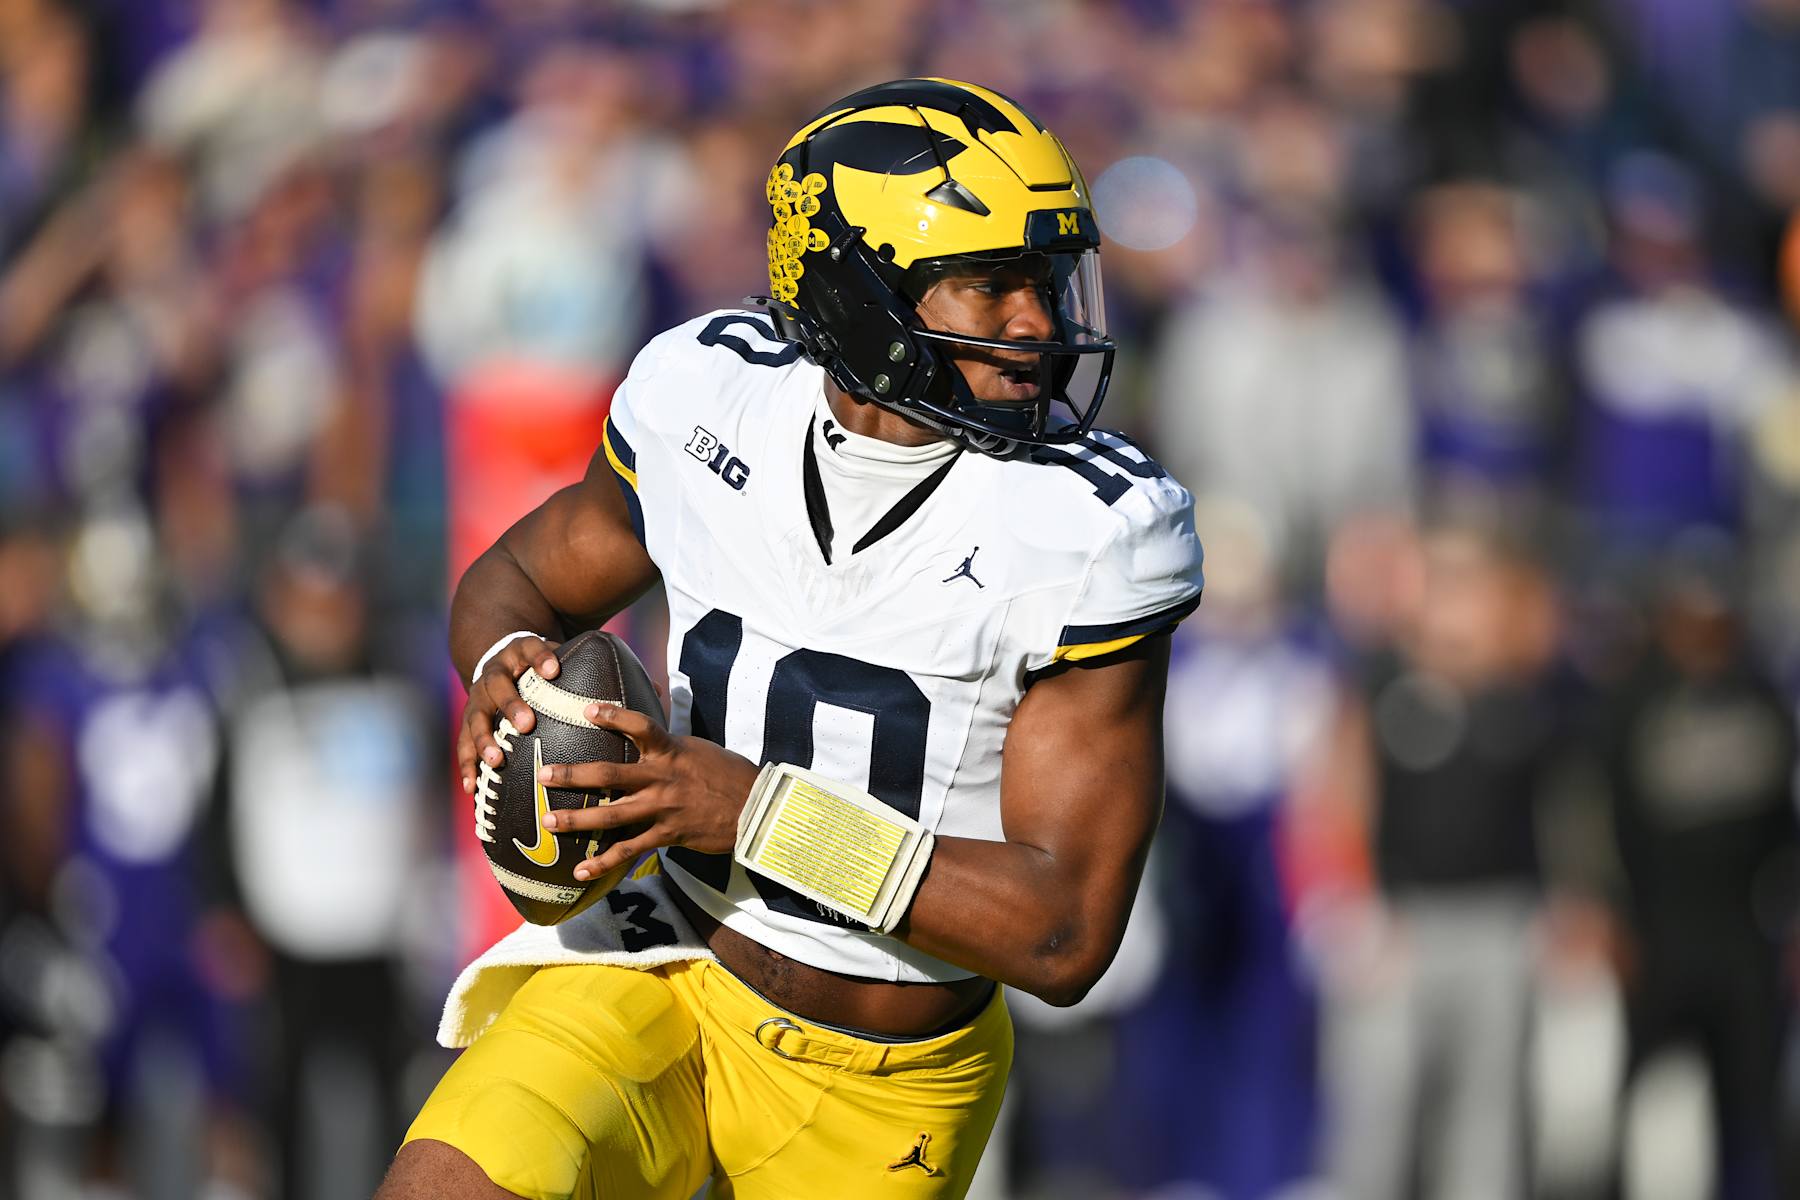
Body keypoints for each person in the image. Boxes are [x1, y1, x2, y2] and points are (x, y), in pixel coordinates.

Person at [377, 78, 1204, 1200]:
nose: (1039, 325)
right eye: (991, 284)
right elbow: (519, 577)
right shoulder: (710, 395)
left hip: (884, 1083)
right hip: (660, 955)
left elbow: (1062, 934)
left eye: (1048, 282)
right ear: (860, 295)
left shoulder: (1091, 529)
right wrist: (500, 669)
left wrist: (758, 815)